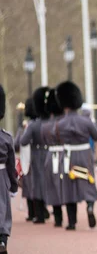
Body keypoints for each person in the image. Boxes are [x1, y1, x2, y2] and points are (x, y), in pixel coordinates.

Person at [54, 81, 97, 230]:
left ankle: (72, 222)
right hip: (85, 154)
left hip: (68, 156)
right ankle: (89, 207)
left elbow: (54, 139)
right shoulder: (86, 121)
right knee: (88, 182)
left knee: (69, 188)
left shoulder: (59, 123)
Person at [20, 87, 50, 224]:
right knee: (50, 181)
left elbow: (23, 141)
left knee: (37, 183)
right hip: (50, 152)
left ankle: (40, 214)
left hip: (37, 153)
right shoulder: (50, 122)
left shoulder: (32, 125)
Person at [0, 85, 19, 254]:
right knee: (3, 213)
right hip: (1, 178)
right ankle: (2, 242)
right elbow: (11, 166)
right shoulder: (5, 138)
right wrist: (14, 186)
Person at [41, 88, 65, 227]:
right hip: (64, 155)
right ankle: (71, 218)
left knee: (52, 187)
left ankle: (58, 218)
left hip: (51, 156)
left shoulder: (45, 126)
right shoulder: (65, 123)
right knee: (66, 185)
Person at [14, 98, 37, 222]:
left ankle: (33, 213)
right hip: (40, 158)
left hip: (28, 159)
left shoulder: (26, 127)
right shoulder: (42, 123)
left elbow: (18, 143)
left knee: (28, 185)